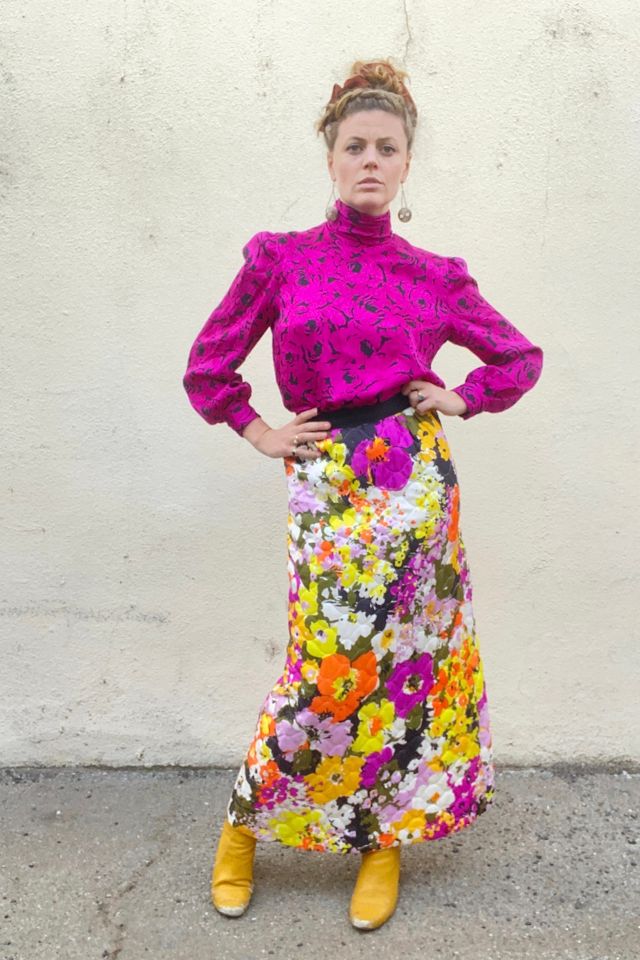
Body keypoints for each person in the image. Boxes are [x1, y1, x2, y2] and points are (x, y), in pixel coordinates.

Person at [182, 57, 544, 932]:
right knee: (326, 665)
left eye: (387, 147)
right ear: (332, 159)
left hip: (415, 484)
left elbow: (517, 357)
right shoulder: (282, 260)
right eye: (356, 146)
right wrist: (259, 431)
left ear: (407, 162)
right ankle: (244, 826)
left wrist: (463, 397)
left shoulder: (435, 275)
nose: (371, 160)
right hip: (329, 482)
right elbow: (209, 364)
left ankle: (383, 840)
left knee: (408, 669)